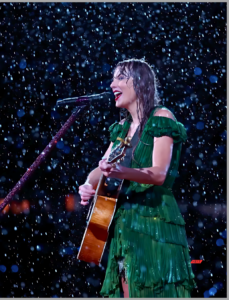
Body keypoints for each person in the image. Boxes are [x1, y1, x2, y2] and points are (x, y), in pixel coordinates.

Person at [78, 58, 197, 298]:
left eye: (120, 77)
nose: (112, 84)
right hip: (124, 225)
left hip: (155, 221)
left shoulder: (161, 117)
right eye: (113, 78)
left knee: (156, 290)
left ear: (140, 82)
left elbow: (159, 173)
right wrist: (88, 184)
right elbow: (101, 168)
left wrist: (121, 172)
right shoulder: (122, 128)